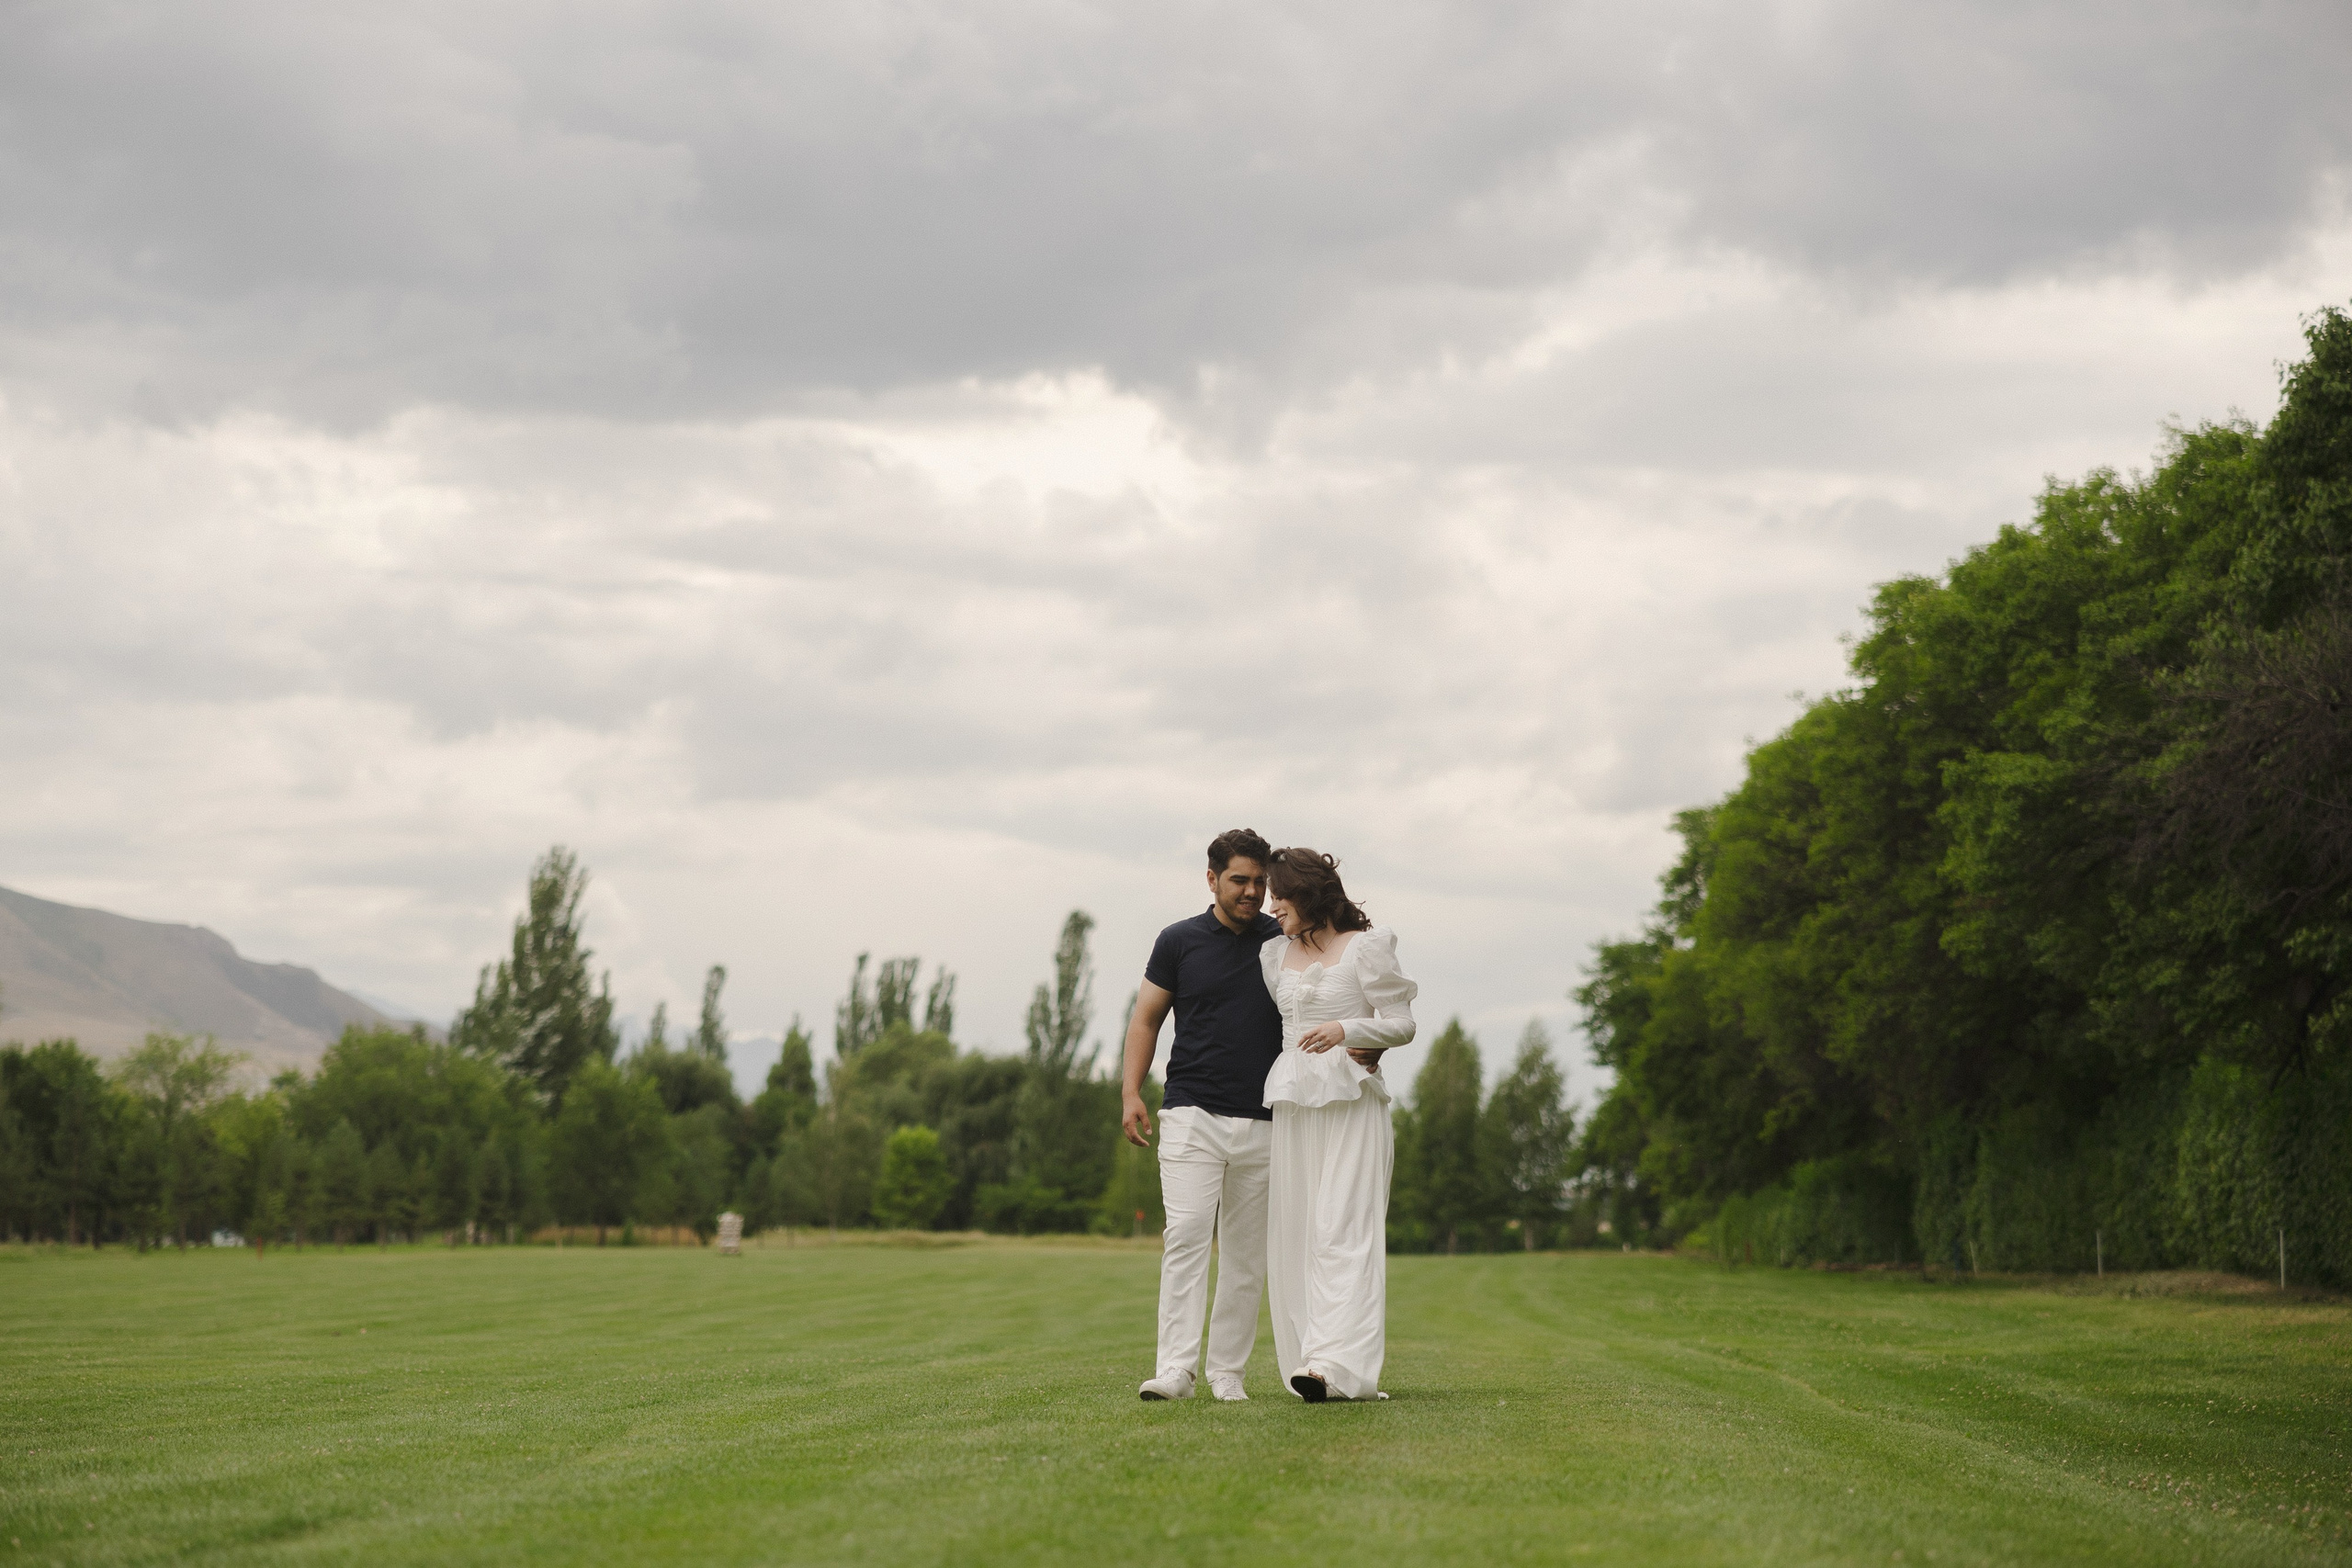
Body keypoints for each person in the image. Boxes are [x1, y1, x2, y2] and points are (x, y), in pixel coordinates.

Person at [1120, 829, 1284, 1403]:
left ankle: (1227, 1373)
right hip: (1191, 1112)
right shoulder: (1178, 942)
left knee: (1245, 1253)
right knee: (1186, 1236)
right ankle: (1176, 1371)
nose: (1252, 892)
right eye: (1240, 880)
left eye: (1260, 882)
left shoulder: (1283, 939)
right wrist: (1131, 1093)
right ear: (1211, 879)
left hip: (1266, 1119)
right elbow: (1146, 1020)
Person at [1260, 846, 1417, 1402]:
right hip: (1296, 1102)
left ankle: (1334, 1366)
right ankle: (1312, 1359)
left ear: (1308, 892)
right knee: (1302, 1230)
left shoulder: (1365, 949)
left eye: (1279, 893)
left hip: (1350, 1101)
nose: (1271, 904)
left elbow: (1401, 1023)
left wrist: (1349, 1030)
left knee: (1342, 1229)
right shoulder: (1272, 955)